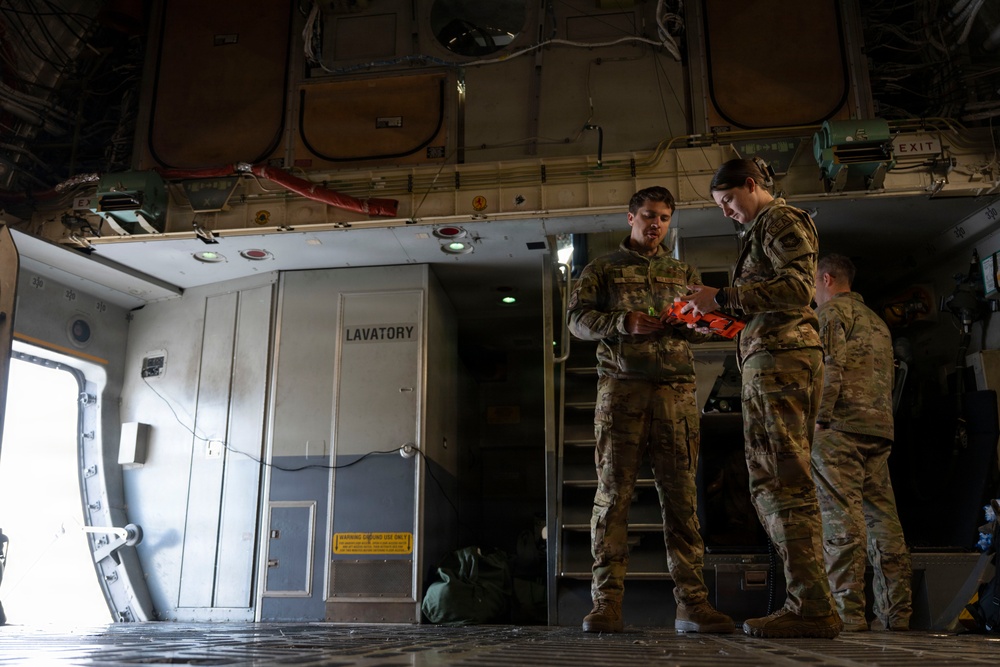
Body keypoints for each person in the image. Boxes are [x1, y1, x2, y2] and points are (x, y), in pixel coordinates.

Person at [681, 158, 841, 638]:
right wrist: (713, 316)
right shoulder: (762, 229)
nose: (727, 211)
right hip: (770, 357)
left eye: (729, 200)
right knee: (772, 482)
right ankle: (808, 602)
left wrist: (723, 297)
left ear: (752, 185)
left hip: (782, 360)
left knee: (782, 484)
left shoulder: (782, 220)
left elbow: (795, 291)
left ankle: (812, 606)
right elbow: (769, 304)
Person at [567, 185, 734, 634]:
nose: (655, 223)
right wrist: (623, 322)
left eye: (663, 217)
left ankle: (692, 604)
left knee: (681, 500)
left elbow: (700, 333)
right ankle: (607, 604)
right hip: (622, 391)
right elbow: (577, 321)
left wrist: (698, 323)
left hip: (676, 393)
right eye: (647, 215)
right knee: (613, 498)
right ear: (630, 218)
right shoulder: (601, 269)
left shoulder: (683, 272)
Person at [811, 253, 913, 632]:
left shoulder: (830, 316)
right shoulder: (877, 323)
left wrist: (819, 418)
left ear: (826, 279)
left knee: (841, 520)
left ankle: (846, 615)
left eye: (811, 283)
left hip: (838, 429)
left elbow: (829, 366)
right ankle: (894, 613)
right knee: (882, 520)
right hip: (877, 429)